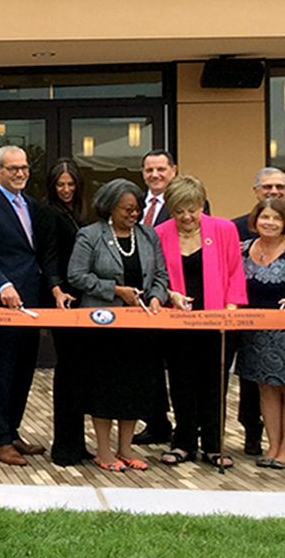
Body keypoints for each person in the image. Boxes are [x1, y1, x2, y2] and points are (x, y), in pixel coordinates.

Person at [67, 179, 171, 472]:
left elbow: (161, 275)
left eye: (137, 209)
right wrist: (115, 290)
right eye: (127, 209)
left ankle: (126, 448)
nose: (133, 214)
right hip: (104, 326)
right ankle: (104, 450)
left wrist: (155, 298)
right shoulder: (90, 235)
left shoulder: (148, 236)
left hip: (140, 327)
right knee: (105, 389)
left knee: (134, 387)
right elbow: (76, 275)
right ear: (110, 207)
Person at [0, 145, 53, 466]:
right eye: (13, 168)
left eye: (25, 168)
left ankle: (13, 431)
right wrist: (2, 284)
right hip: (4, 302)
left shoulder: (30, 204)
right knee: (3, 369)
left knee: (25, 368)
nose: (20, 173)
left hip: (33, 300)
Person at [154, 175, 247, 468]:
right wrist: (170, 293)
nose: (186, 217)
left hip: (218, 321)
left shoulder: (224, 229)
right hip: (178, 322)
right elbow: (155, 276)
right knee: (181, 383)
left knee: (214, 383)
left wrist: (230, 308)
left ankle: (213, 445)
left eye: (192, 209)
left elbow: (235, 270)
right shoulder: (158, 233)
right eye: (179, 210)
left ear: (201, 205)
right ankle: (183, 443)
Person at [236, 198, 285, 469]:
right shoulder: (242, 250)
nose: (269, 223)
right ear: (255, 220)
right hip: (254, 336)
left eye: (276, 219)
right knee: (266, 389)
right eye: (264, 217)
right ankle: (272, 445)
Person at [134, 148, 208, 446]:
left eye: (161, 169)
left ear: (173, 170)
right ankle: (156, 422)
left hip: (179, 301)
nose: (155, 175)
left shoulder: (190, 204)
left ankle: (190, 426)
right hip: (142, 300)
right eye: (149, 170)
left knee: (184, 369)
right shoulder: (134, 204)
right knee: (148, 366)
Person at [230, 166, 285, 456]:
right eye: (267, 187)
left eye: (279, 188)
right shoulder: (236, 228)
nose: (274, 192)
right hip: (249, 325)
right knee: (254, 385)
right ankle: (254, 434)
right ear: (256, 191)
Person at [35, 159, 91, 466]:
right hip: (63, 299)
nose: (66, 190)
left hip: (82, 296)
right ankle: (65, 447)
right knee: (68, 369)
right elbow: (49, 256)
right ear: (52, 187)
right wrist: (56, 289)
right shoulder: (49, 213)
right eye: (60, 185)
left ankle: (77, 443)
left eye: (70, 184)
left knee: (79, 370)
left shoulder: (79, 214)